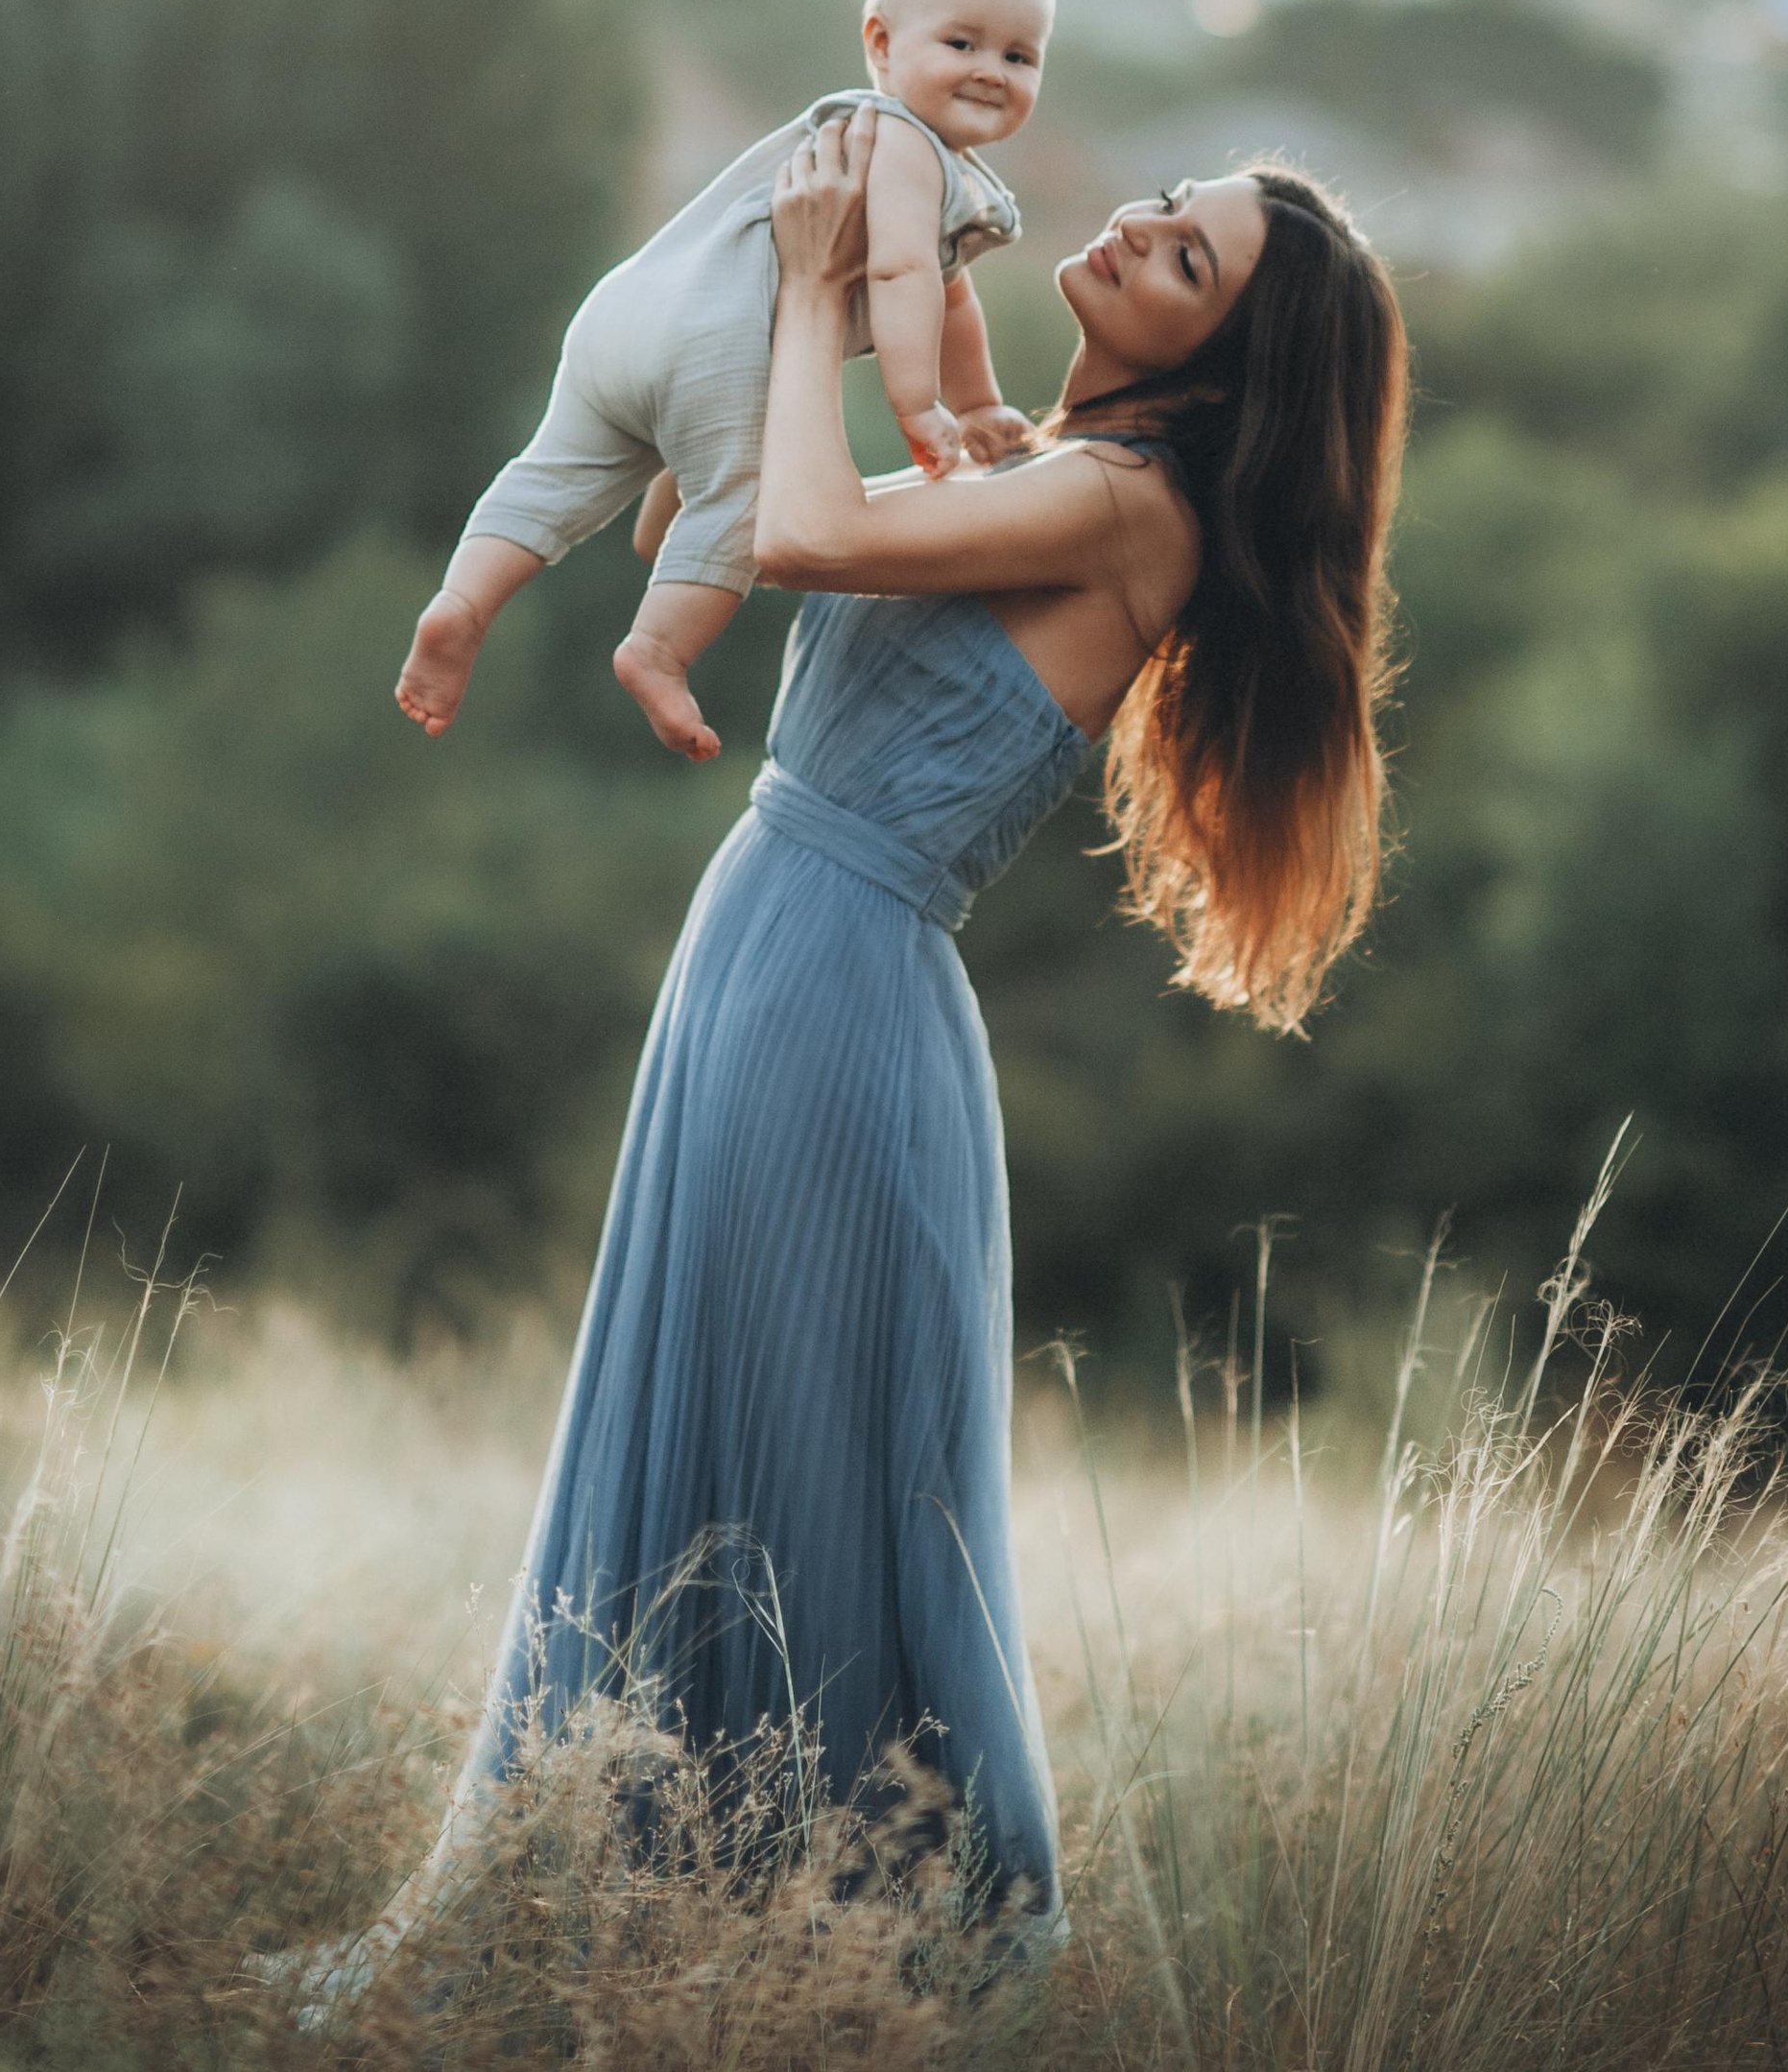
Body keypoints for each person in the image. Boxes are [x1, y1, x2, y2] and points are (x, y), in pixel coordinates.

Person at [274, 115, 1407, 2021]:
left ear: (1221, 365)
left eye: (1183, 258)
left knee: (794, 1468)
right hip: (776, 950)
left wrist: (812, 288)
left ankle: (822, 1948)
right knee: (708, 1416)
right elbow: (746, 506)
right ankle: (662, 1917)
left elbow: (807, 535)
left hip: (836, 986)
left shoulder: (1131, 505)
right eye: (1163, 203)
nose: (1131, 228)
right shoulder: (1044, 460)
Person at [393, 0, 1054, 763]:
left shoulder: (843, 133)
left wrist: (982, 400)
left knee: (554, 472)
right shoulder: (909, 149)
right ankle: (658, 649)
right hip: (714, 345)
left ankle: (463, 602)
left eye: (1018, 56)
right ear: (882, 44)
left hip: (625, 314)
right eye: (962, 42)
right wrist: (923, 409)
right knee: (747, 492)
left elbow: (953, 299)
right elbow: (903, 277)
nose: (989, 71)